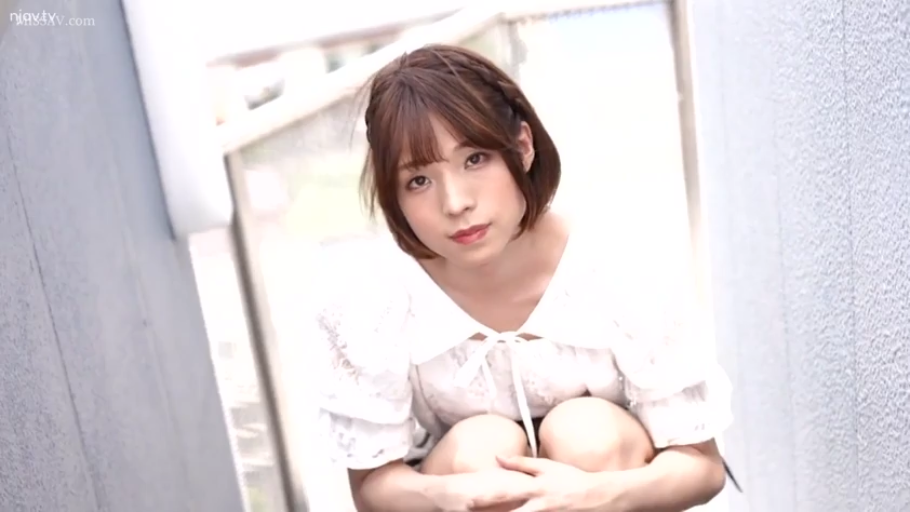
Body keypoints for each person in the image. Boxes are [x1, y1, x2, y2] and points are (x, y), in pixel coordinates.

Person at [307, 44, 734, 512]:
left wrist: (593, 496)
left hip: (608, 487)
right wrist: (446, 494)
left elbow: (702, 466)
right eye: (419, 181)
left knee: (588, 435)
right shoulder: (373, 299)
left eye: (475, 159)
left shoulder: (618, 265)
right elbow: (372, 486)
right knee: (479, 452)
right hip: (467, 488)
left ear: (523, 147)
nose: (455, 203)